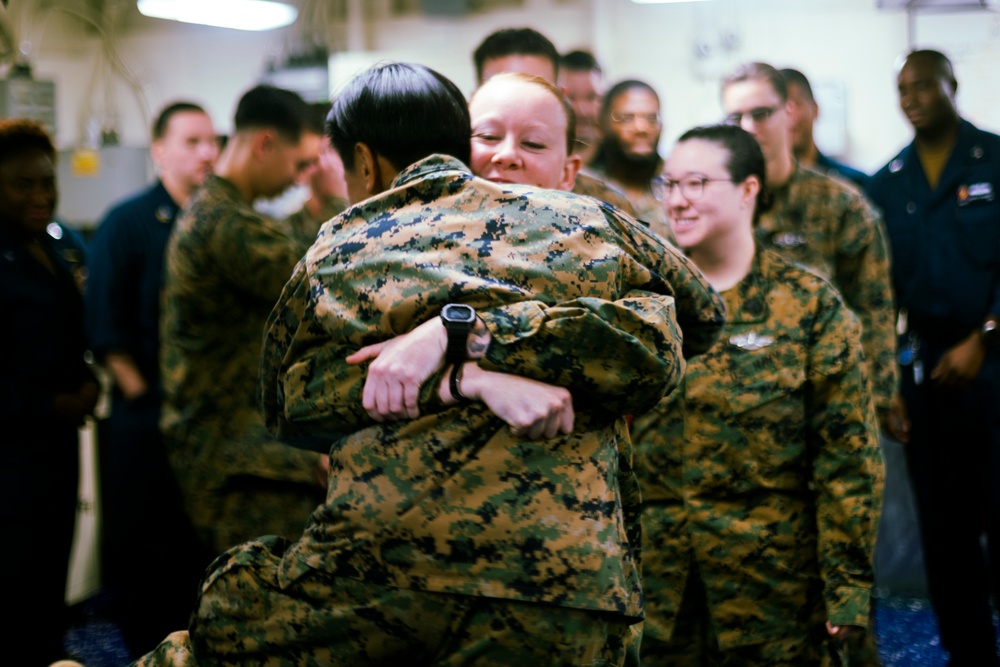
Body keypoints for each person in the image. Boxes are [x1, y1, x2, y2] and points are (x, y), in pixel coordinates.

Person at [133, 61, 725, 667]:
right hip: (554, 581)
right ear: (459, 141)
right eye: (489, 138)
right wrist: (470, 378)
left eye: (533, 142)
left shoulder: (341, 245)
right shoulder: (587, 226)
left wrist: (461, 333)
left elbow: (287, 406)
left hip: (402, 573)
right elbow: (700, 315)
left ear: (362, 162)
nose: (507, 157)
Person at [631, 124, 883, 665]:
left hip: (773, 594)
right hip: (658, 594)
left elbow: (847, 462)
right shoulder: (641, 302)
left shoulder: (808, 306)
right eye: (668, 183)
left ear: (748, 190)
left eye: (696, 182)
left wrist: (847, 590)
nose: (677, 200)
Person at [159, 84, 343, 559]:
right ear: (266, 144)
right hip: (235, 459)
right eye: (300, 164)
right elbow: (320, 279)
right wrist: (333, 200)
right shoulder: (224, 223)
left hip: (239, 449)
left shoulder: (222, 212)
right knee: (261, 595)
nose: (301, 178)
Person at [867, 49, 1000, 666]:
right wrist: (888, 377)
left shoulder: (995, 158)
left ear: (952, 84)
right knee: (944, 531)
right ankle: (967, 652)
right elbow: (879, 292)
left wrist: (986, 336)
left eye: (923, 85)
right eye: (902, 89)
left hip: (993, 363)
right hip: (927, 372)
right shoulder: (888, 181)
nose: (912, 96)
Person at [84, 101, 219, 654]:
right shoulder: (129, 221)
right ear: (159, 150)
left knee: (196, 550)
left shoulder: (215, 223)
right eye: (191, 142)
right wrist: (144, 399)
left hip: (204, 422)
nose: (206, 153)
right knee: (146, 550)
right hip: (146, 421)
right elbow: (104, 324)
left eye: (212, 141)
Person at [721, 61, 897, 427]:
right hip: (735, 416)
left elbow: (874, 309)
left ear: (789, 113)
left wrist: (876, 401)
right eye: (735, 118)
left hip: (823, 410)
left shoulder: (840, 206)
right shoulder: (715, 207)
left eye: (761, 113)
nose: (748, 128)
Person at [0, 118, 100, 666]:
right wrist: (48, 404)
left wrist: (88, 382)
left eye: (47, 182)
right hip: (11, 460)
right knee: (13, 596)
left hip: (54, 455)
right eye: (23, 184)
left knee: (46, 593)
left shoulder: (53, 248)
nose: (40, 196)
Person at [470, 27, 636, 217]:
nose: (507, 155)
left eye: (536, 89)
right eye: (489, 136)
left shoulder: (606, 208)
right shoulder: (445, 196)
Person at [589, 79, 671, 240]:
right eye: (626, 118)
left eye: (651, 118)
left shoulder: (680, 187)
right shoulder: (581, 187)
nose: (641, 128)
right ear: (600, 125)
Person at [779, 67, 869, 190]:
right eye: (782, 108)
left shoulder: (851, 182)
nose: (791, 117)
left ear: (815, 109)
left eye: (797, 104)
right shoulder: (762, 189)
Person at [559, 49, 604, 166]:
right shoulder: (538, 159)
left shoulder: (620, 161)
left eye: (591, 97)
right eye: (570, 97)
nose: (582, 111)